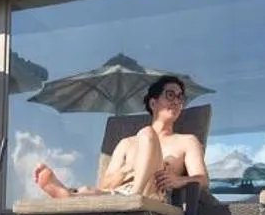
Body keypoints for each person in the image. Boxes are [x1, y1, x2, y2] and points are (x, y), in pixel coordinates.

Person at [31, 75, 208, 199]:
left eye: (180, 97)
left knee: (147, 133)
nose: (177, 101)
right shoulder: (126, 143)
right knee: (90, 191)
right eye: (170, 95)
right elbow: (105, 184)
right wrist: (128, 168)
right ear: (153, 103)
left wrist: (178, 180)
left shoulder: (187, 141)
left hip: (153, 195)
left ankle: (135, 197)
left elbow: (202, 180)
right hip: (119, 195)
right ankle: (68, 196)